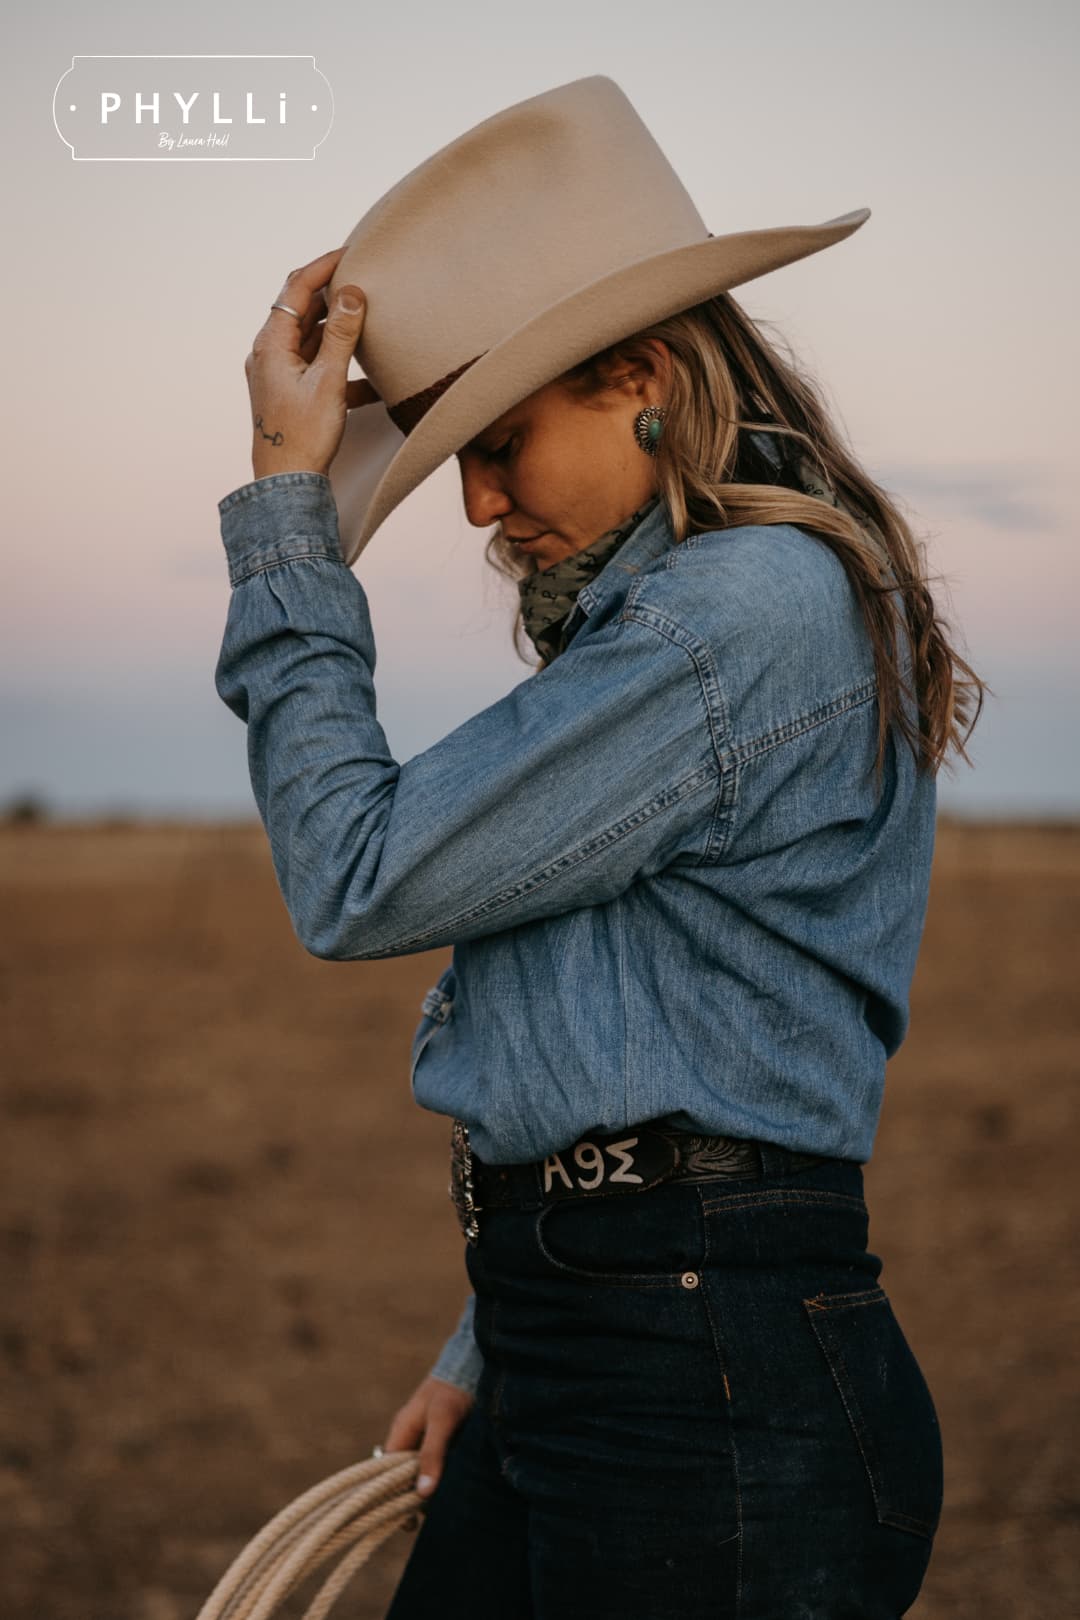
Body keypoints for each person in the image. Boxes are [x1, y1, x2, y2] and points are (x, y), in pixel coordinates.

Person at [215, 76, 985, 1620]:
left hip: (700, 1395)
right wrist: (488, 1349)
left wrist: (288, 508)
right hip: (620, 1351)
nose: (479, 505)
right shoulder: (713, 619)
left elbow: (354, 874)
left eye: (500, 443)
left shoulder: (727, 619)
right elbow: (632, 1028)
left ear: (641, 375)